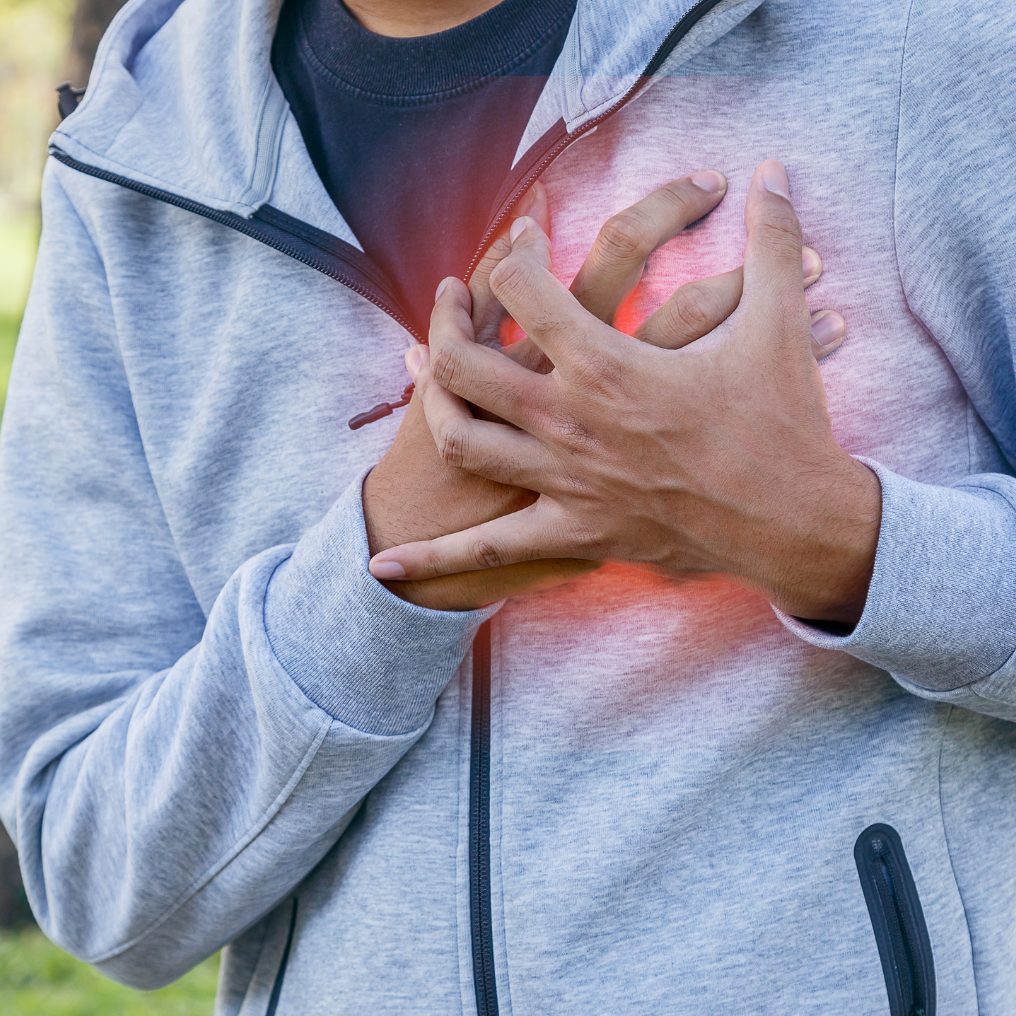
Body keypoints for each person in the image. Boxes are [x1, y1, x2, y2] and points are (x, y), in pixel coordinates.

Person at [0, 0, 1013, 1011]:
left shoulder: (923, 35)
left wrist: (831, 537)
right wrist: (384, 569)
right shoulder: (138, 150)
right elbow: (97, 878)